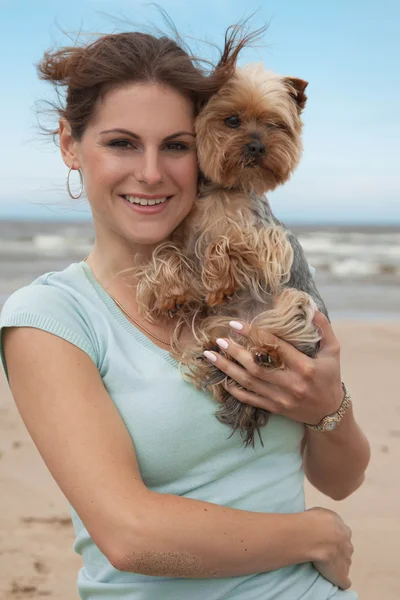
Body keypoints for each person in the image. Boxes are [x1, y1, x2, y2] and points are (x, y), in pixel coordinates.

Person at [0, 22, 370, 600]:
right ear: (71, 145)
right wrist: (312, 535)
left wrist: (328, 407)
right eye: (121, 142)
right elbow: (130, 537)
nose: (151, 172)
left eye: (175, 145)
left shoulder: (274, 275)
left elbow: (343, 479)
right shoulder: (51, 317)